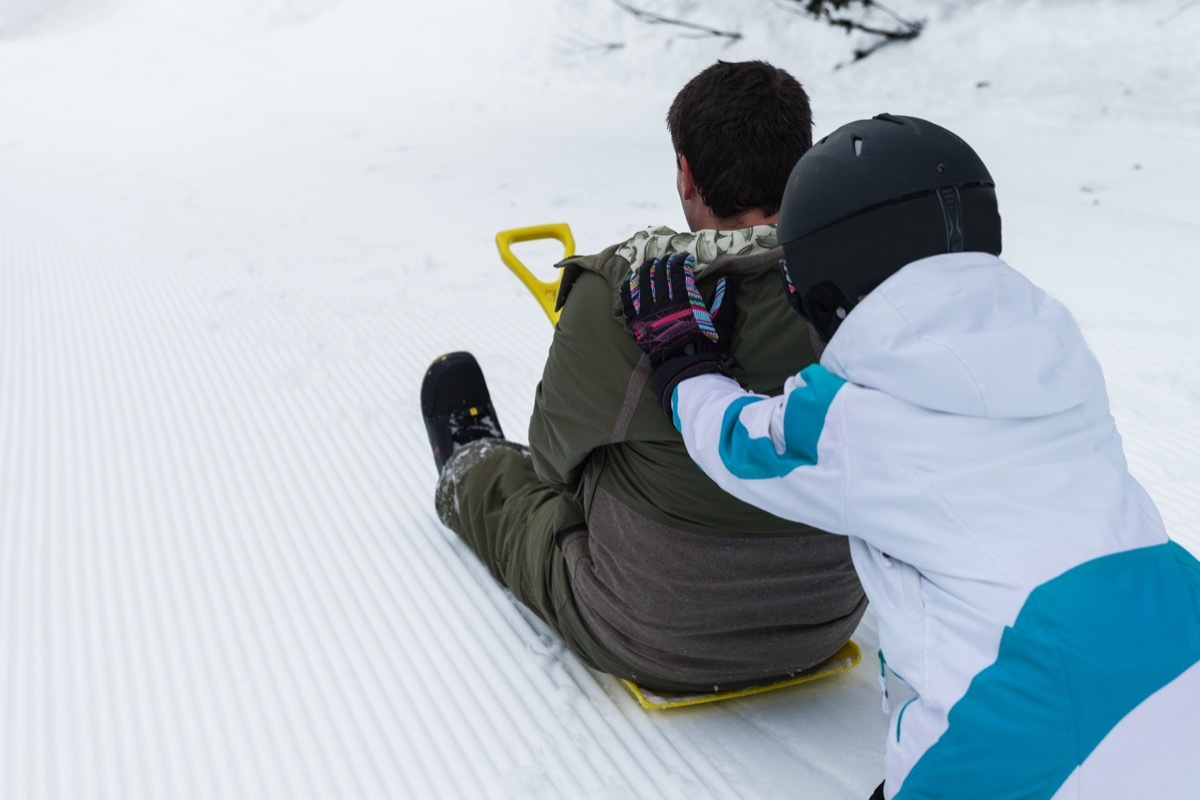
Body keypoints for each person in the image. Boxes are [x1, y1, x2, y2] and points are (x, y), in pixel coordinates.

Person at [621, 114, 1200, 797]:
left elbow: (735, 443)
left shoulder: (853, 419)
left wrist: (682, 355)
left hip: (1024, 710)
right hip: (1178, 639)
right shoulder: (1056, 358)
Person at [421, 60, 867, 693]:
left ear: (685, 173)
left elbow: (552, 461)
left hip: (651, 634)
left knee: (527, 498)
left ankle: (470, 464)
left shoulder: (623, 292)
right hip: (827, 619)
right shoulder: (860, 281)